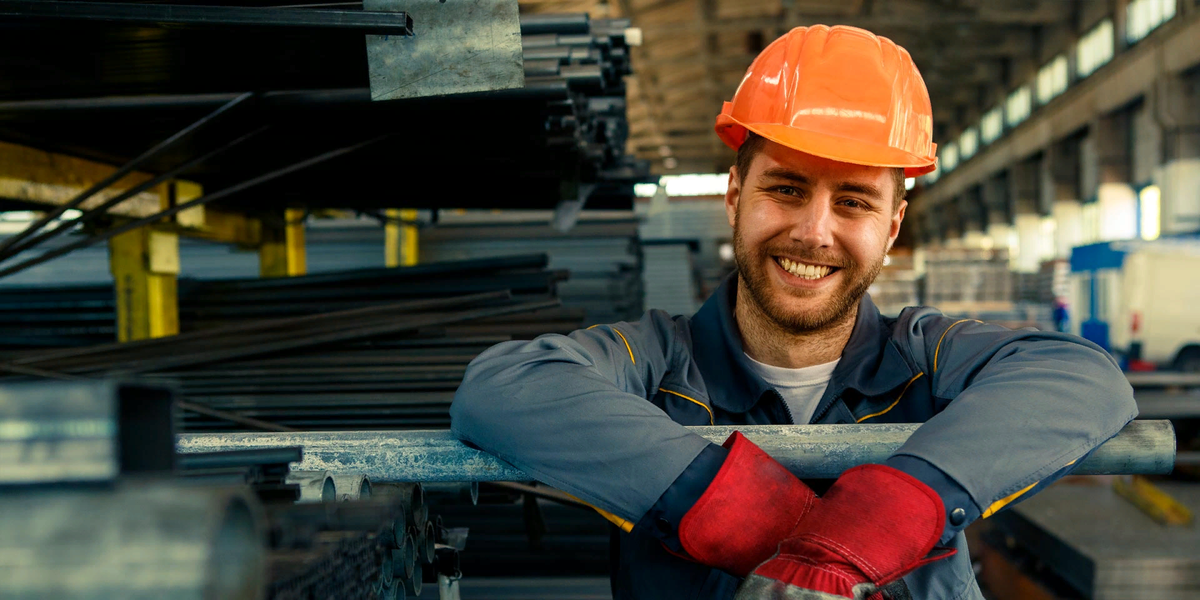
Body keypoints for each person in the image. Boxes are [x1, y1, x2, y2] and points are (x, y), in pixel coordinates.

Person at [451, 25, 1136, 600]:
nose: (814, 232)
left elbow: (1084, 377)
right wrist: (758, 520)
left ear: (893, 227)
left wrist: (878, 523)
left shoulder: (925, 356)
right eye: (786, 187)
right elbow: (502, 388)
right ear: (734, 195)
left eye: (854, 202)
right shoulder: (657, 362)